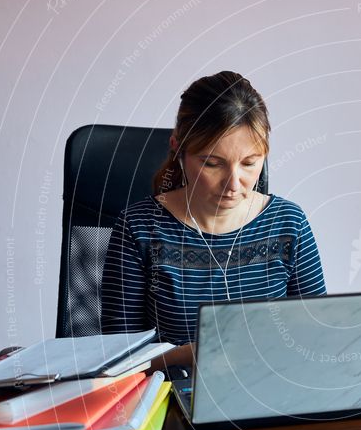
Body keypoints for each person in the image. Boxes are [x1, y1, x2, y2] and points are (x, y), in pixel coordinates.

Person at [101, 71, 327, 367]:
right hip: (176, 399)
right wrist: (192, 355)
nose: (233, 183)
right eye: (212, 163)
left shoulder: (289, 223)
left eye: (249, 163)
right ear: (178, 150)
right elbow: (116, 361)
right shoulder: (139, 228)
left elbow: (318, 340)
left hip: (271, 395)